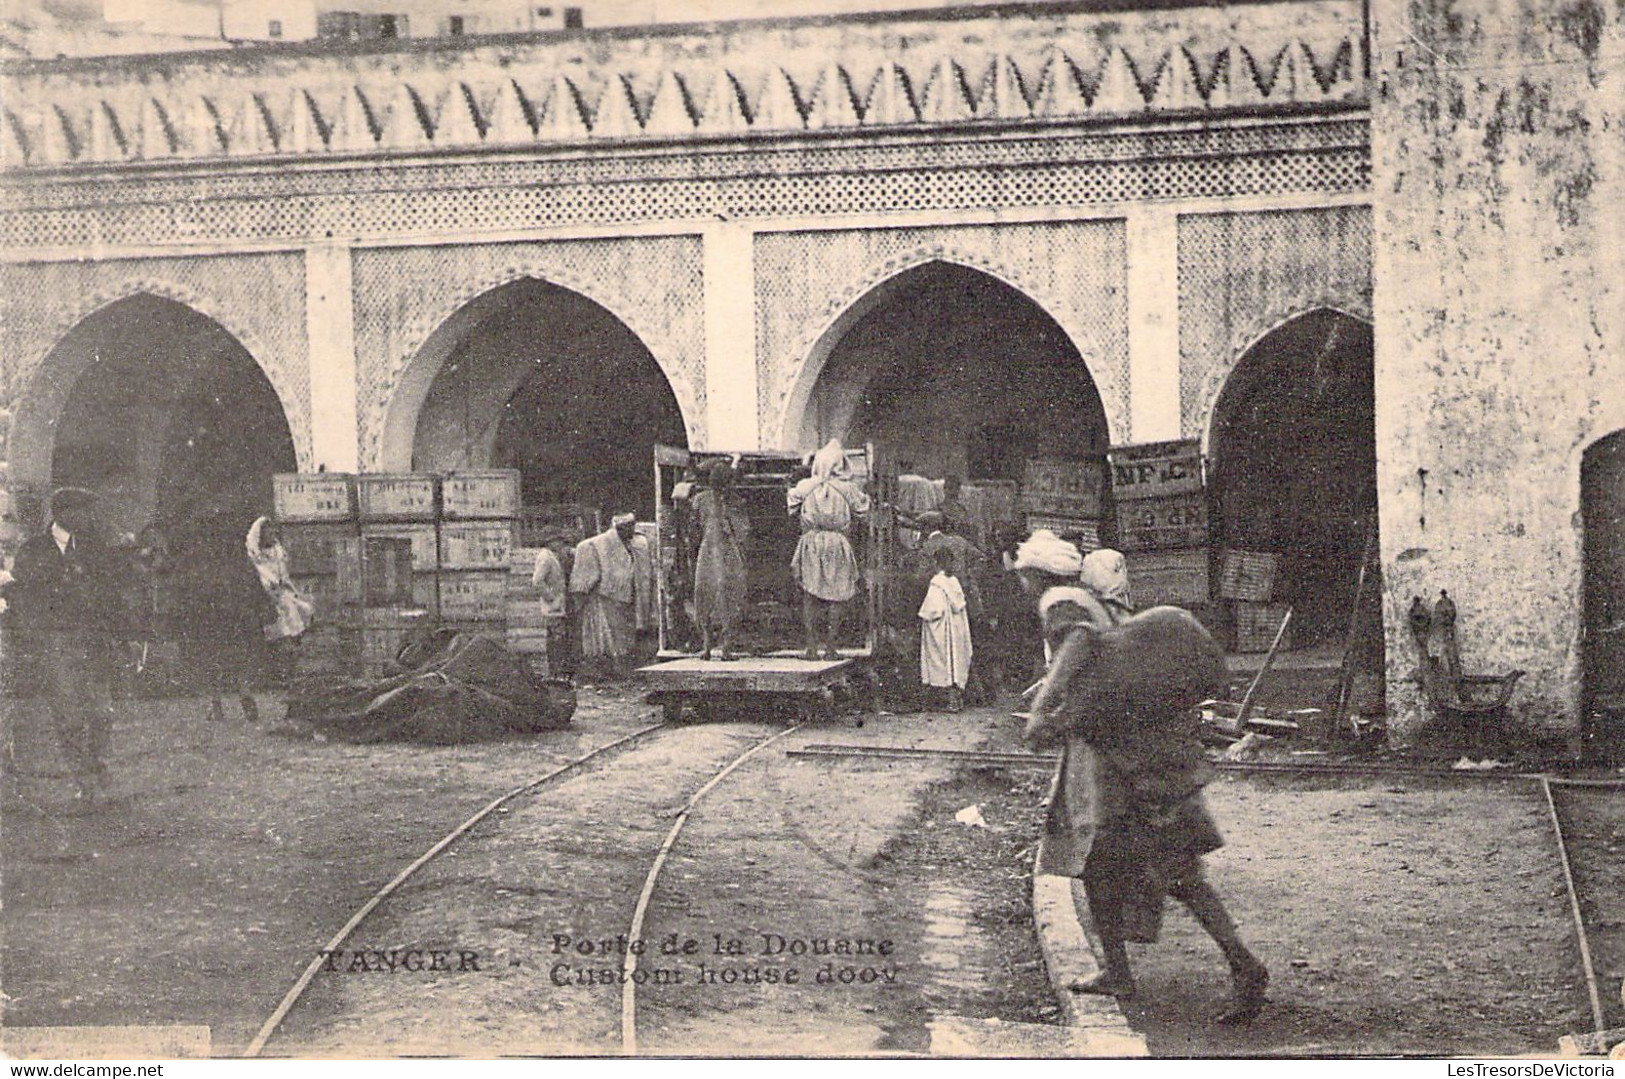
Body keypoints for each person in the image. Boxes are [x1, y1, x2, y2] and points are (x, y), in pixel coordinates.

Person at [1015, 533, 1268, 1024]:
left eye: (1024, 572)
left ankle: (1245, 965)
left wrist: (1044, 708)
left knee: (1176, 873)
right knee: (1106, 871)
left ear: (1036, 574)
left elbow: (1078, 644)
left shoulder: (1059, 601)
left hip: (1121, 766)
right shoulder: (1092, 597)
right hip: (1131, 753)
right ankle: (1120, 972)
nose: (1022, 581)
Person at [8, 488, 123, 801]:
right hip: (55, 639)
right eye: (82, 511)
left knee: (102, 711)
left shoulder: (92, 547)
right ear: (63, 512)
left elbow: (109, 590)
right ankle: (82, 776)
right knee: (68, 712)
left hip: (93, 639)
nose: (88, 517)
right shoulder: (34, 549)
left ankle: (96, 763)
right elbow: (23, 593)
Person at [787, 439, 870, 660]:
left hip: (811, 542)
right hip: (837, 543)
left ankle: (811, 647)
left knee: (810, 594)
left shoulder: (806, 487)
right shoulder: (847, 489)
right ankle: (831, 647)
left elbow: (791, 505)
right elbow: (864, 511)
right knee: (837, 595)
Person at [570, 513, 654, 680]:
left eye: (632, 526)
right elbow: (588, 578)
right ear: (619, 528)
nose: (631, 530)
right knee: (606, 636)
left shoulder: (638, 544)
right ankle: (607, 668)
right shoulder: (597, 545)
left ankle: (622, 666)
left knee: (623, 635)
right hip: (605, 596)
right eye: (627, 527)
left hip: (628, 596)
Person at [692, 461, 751, 661]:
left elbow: (694, 528)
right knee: (730, 595)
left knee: (705, 594)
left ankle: (707, 646)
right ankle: (725, 647)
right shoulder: (734, 501)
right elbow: (742, 532)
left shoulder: (700, 499)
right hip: (727, 550)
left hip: (708, 550)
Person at [246, 516, 313, 686]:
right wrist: (270, 589)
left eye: (273, 531)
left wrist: (290, 590)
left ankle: (291, 669)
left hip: (282, 594)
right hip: (266, 596)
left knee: (300, 613)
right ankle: (277, 672)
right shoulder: (256, 555)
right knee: (278, 632)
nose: (271, 534)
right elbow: (261, 575)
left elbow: (284, 576)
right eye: (267, 531)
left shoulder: (278, 551)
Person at [918, 545, 972, 712]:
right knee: (955, 660)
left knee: (942, 661)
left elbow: (933, 610)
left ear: (936, 563)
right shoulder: (954, 582)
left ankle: (946, 700)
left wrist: (923, 614)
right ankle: (956, 698)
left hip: (942, 629)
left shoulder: (937, 583)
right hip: (956, 628)